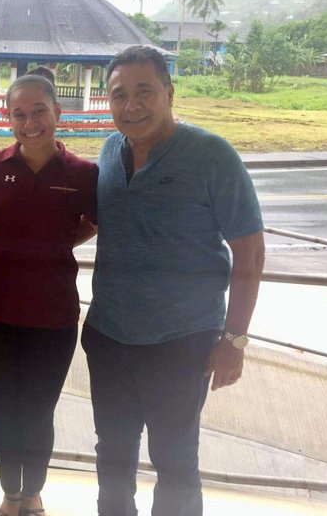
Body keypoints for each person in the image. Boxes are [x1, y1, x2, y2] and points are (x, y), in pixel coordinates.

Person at [82, 45, 265, 516]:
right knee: (113, 454)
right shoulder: (109, 149)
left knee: (176, 460)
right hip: (108, 335)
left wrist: (235, 340)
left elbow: (249, 250)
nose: (132, 104)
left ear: (169, 91)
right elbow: (105, 221)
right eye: (119, 95)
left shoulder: (211, 155)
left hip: (182, 342)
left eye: (145, 91)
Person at [0, 74, 98, 516]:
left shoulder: (83, 174)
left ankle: (34, 494)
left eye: (39, 110)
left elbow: (91, 224)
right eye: (19, 113)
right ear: (8, 118)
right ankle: (10, 496)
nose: (30, 122)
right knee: (4, 411)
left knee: (41, 411)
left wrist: (57, 242)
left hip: (54, 314)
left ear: (58, 114)